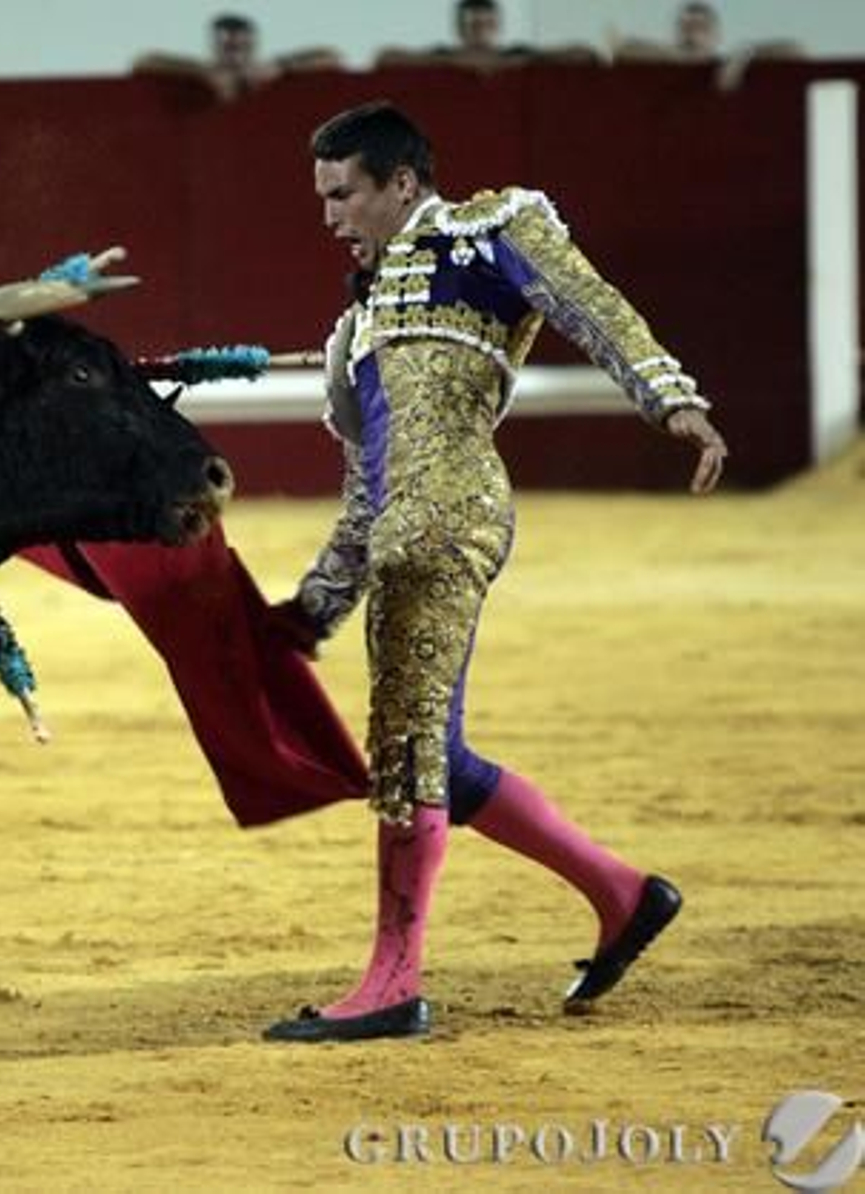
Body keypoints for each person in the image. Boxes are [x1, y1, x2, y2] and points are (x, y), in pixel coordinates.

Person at [261, 100, 729, 1043]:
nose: (329, 217)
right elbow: (366, 492)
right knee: (442, 755)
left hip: (449, 515)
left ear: (403, 182)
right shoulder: (355, 335)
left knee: (405, 752)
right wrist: (310, 609)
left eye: (344, 193)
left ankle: (393, 985)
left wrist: (671, 400)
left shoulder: (487, 230)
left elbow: (587, 302)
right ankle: (623, 894)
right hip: (403, 528)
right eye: (320, 198)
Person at [133, 13, 342, 103]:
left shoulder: (273, 69)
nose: (235, 53)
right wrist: (203, 73)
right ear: (214, 46)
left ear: (253, 45)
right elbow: (143, 61)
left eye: (243, 46)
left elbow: (332, 57)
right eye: (228, 46)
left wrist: (282, 66)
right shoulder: (198, 72)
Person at [613, 2, 802, 89]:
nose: (693, 33)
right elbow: (624, 50)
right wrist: (682, 58)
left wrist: (745, 53)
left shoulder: (731, 65)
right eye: (686, 27)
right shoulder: (663, 62)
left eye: (701, 27)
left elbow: (795, 50)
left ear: (717, 35)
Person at [376, 0, 597, 73]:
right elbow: (386, 57)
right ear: (460, 28)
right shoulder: (443, 54)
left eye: (488, 24)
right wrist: (451, 64)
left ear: (498, 26)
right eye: (474, 25)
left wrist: (515, 63)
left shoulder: (518, 53)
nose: (481, 30)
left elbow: (585, 54)